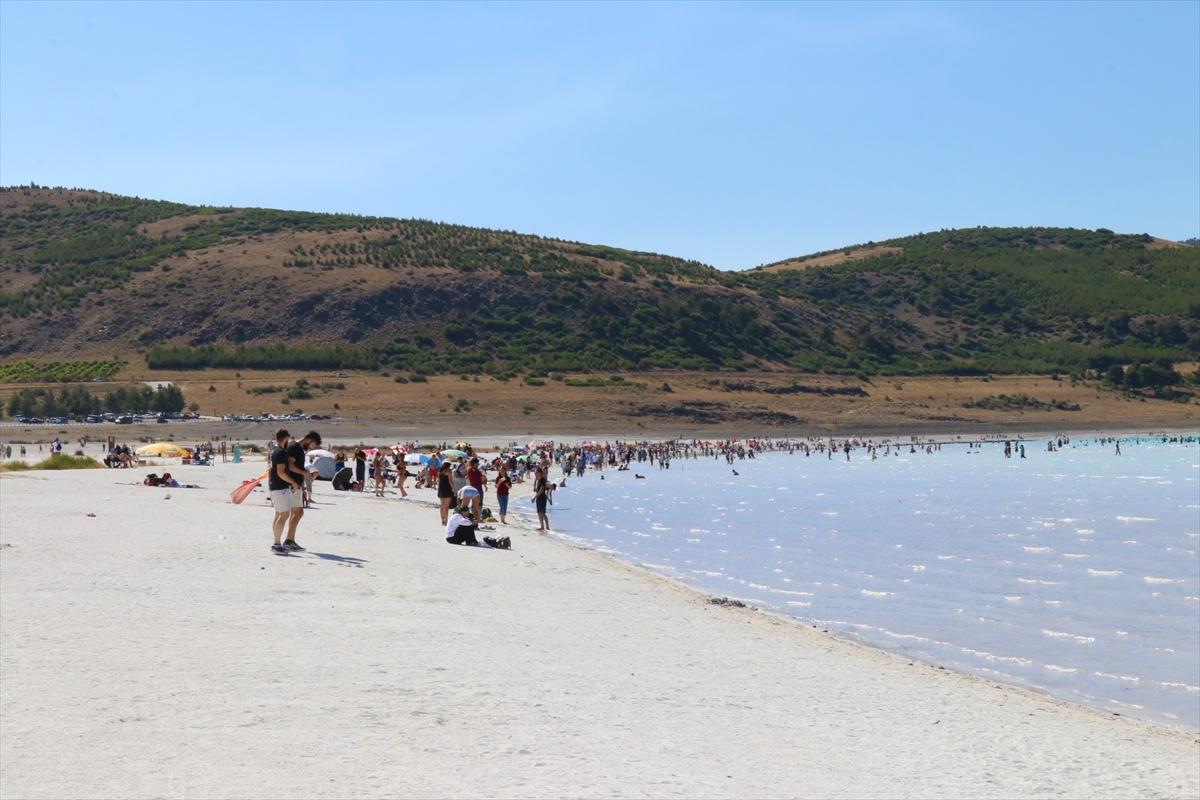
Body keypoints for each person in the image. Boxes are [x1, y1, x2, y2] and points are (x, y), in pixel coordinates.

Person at [282, 429, 322, 552]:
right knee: (297, 513)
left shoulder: (297, 448)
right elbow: (290, 465)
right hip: (292, 484)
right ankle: (289, 540)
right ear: (309, 440)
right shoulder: (294, 447)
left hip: (296, 484)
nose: (311, 448)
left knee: (296, 513)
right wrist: (304, 473)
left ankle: (290, 540)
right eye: (312, 445)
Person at [268, 428, 303, 555]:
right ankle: (277, 544)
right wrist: (293, 482)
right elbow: (281, 472)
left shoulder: (273, 450)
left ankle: (276, 542)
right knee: (283, 515)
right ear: (286, 438)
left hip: (274, 486)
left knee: (278, 515)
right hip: (280, 487)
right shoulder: (281, 452)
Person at [466, 457, 485, 521]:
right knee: (479, 504)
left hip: (471, 488)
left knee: (474, 504)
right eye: (477, 463)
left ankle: (475, 517)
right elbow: (482, 480)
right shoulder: (477, 471)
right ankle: (478, 518)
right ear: (474, 463)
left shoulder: (469, 470)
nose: (478, 465)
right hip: (477, 488)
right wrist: (484, 479)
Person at [533, 465, 551, 531]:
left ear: (539, 473)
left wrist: (535, 497)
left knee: (542, 513)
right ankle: (544, 526)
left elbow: (541, 490)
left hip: (542, 498)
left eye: (536, 472)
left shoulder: (542, 480)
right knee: (540, 513)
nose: (535, 473)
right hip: (539, 498)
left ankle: (545, 527)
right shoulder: (539, 479)